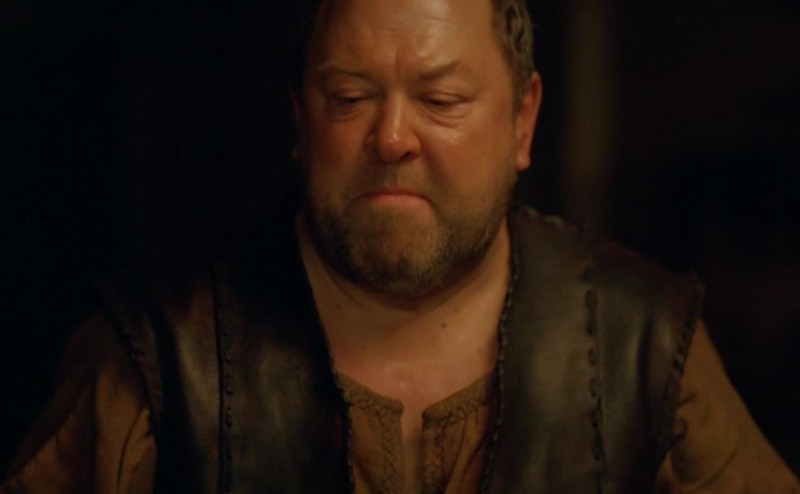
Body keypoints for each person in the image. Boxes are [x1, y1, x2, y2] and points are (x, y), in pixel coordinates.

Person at [2, 0, 798, 492]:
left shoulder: (642, 345)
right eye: (349, 97)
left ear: (522, 121)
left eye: (441, 99)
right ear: (300, 116)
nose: (390, 138)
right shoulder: (157, 355)